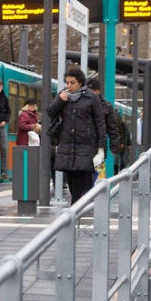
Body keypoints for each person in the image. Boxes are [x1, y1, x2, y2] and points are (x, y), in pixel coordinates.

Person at [47, 66, 107, 205]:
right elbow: (50, 112)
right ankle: (76, 206)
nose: (69, 85)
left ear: (80, 82)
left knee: (81, 176)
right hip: (67, 144)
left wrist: (101, 146)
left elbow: (100, 122)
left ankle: (75, 208)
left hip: (85, 144)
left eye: (72, 82)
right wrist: (60, 101)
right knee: (71, 178)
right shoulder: (64, 95)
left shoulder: (92, 97)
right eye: (67, 82)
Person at [85, 75, 122, 181]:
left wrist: (114, 147)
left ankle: (96, 195)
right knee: (83, 179)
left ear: (98, 91)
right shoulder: (81, 104)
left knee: (98, 179)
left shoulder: (107, 107)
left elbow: (113, 127)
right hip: (82, 148)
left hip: (98, 148)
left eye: (93, 90)